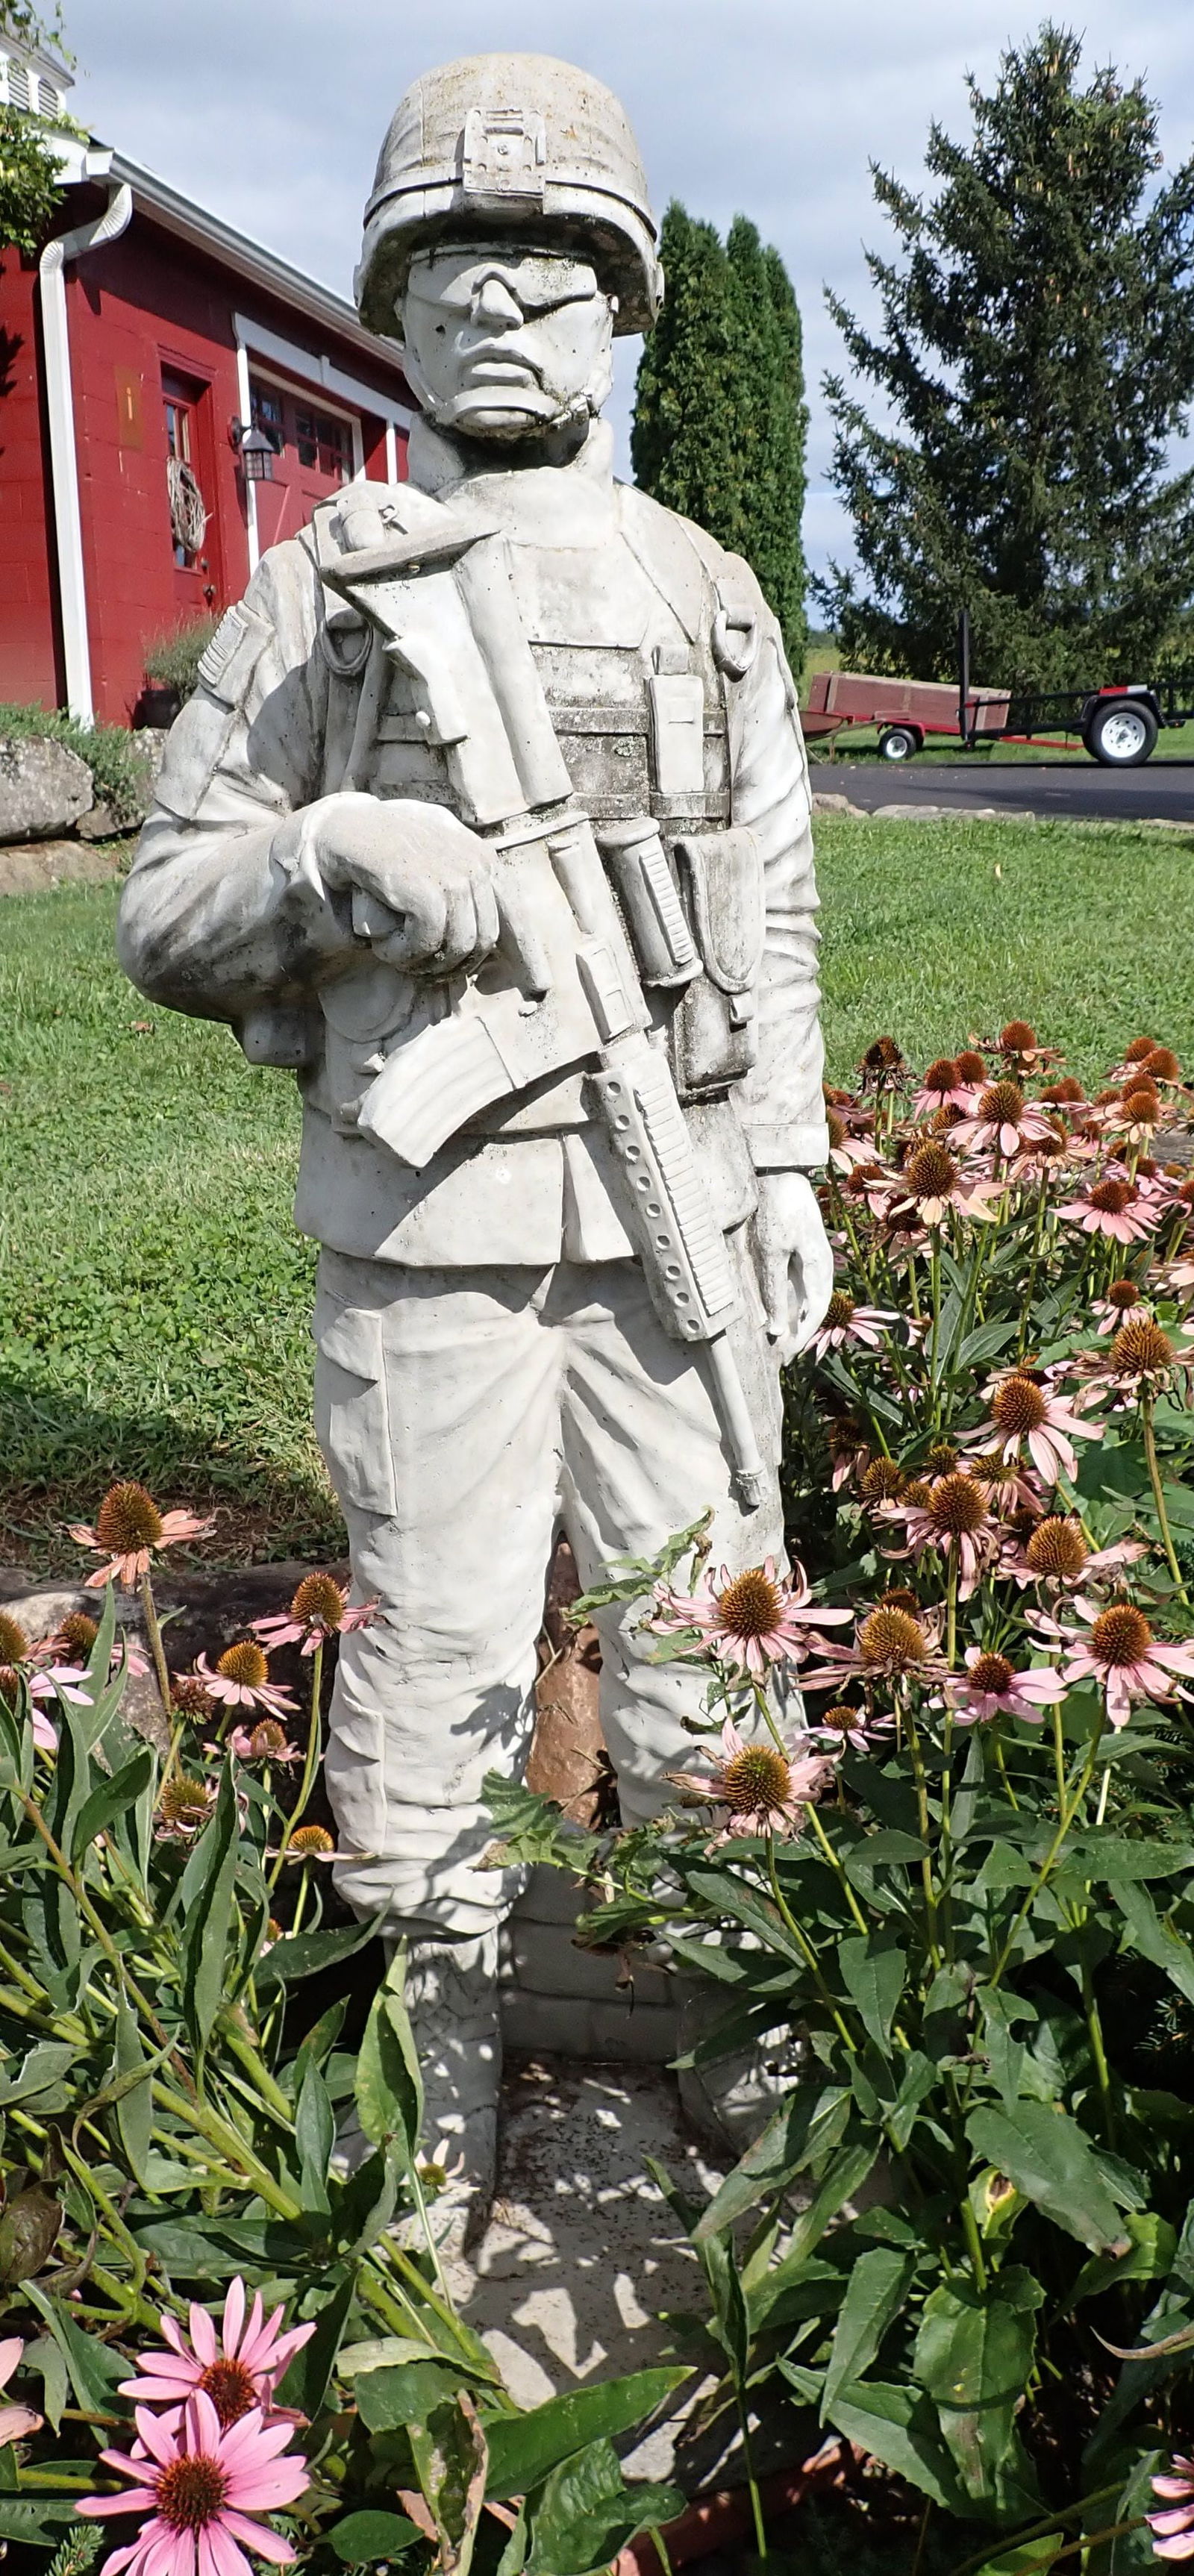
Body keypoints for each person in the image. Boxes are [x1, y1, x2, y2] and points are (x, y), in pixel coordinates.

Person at [117, 51, 832, 2228]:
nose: (503, 306)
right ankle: (421, 2110)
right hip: (431, 1221)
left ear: (624, 308)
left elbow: (775, 904)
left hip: (675, 1191)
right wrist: (335, 850)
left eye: (549, 269)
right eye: (453, 270)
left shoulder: (711, 593)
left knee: (713, 1668)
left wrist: (790, 1161)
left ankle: (746, 2038)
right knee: (430, 1678)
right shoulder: (325, 600)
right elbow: (163, 908)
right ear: (394, 315)